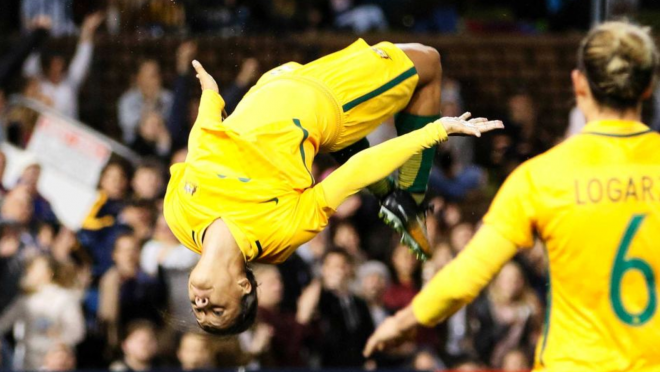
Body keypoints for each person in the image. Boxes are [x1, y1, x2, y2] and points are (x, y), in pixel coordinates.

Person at [364, 21, 660, 372]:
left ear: (579, 84)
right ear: (648, 87)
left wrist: (403, 322)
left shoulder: (541, 176)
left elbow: (466, 275)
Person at [164, 38, 503, 336]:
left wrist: (210, 96)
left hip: (275, 83)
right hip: (332, 100)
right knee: (428, 62)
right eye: (216, 310)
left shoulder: (179, 218)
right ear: (243, 286)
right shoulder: (278, 235)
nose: (201, 302)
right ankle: (411, 197)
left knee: (341, 139)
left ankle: (383, 188)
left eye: (198, 310)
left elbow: (202, 147)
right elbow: (354, 174)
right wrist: (436, 130)